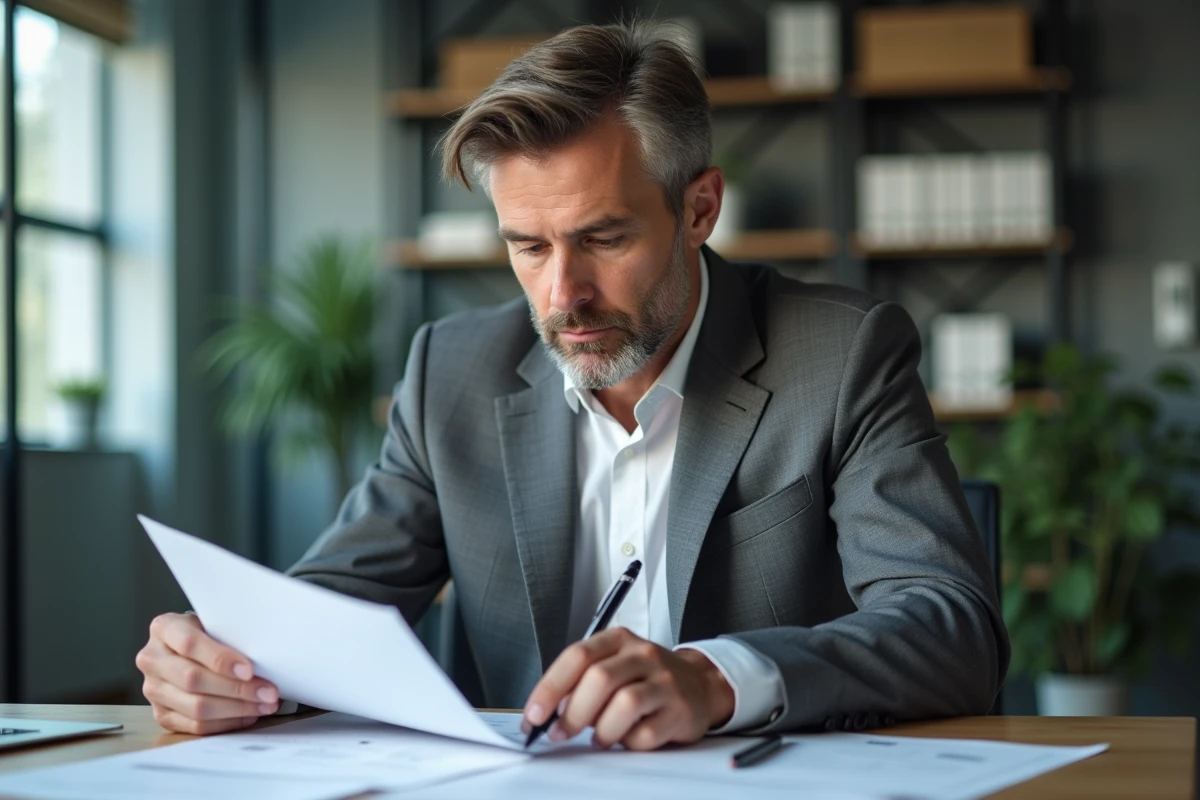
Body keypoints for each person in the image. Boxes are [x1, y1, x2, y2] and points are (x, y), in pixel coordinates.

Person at [136, 19, 1008, 749]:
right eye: (528, 246)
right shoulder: (451, 372)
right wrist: (230, 664)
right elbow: (330, 608)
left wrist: (717, 677)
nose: (563, 296)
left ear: (699, 209)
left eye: (604, 238)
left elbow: (951, 629)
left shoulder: (842, 353)